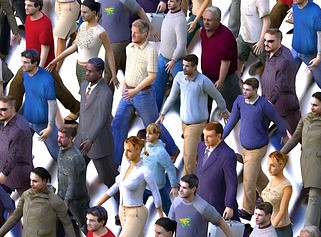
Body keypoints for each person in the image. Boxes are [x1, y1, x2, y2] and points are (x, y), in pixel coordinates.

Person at [95, 135, 164, 237]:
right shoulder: (126, 167)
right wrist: (97, 203)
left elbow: (156, 194)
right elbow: (116, 187)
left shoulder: (145, 171)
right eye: (125, 150)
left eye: (130, 151)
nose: (125, 154)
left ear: (139, 150)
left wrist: (160, 216)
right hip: (123, 212)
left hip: (137, 213)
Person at [110, 20, 179, 164]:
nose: (132, 35)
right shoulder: (129, 48)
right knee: (118, 122)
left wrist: (135, 90)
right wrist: (125, 85)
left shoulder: (151, 51)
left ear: (145, 34)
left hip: (143, 94)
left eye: (136, 33)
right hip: (128, 91)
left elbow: (152, 75)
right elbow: (129, 69)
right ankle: (116, 160)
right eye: (132, 32)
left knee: (152, 124)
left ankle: (173, 150)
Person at [223, 80, 289, 217]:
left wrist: (284, 135)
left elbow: (278, 120)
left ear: (255, 90)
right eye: (244, 89)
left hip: (258, 148)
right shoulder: (240, 101)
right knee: (257, 177)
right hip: (244, 148)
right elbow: (232, 121)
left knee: (248, 179)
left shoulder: (264, 105)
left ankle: (247, 210)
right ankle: (271, 196)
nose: (244, 92)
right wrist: (221, 138)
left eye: (248, 90)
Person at [157, 55, 228, 175]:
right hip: (184, 124)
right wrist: (163, 113)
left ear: (195, 67)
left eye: (187, 66)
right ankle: (208, 177)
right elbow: (172, 97)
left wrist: (224, 111)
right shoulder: (179, 77)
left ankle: (188, 185)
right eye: (183, 65)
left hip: (197, 125)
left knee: (188, 157)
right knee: (195, 155)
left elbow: (217, 96)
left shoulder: (203, 81)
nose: (184, 68)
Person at [281, 93, 321, 228]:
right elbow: (294, 139)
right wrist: (280, 154)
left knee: (314, 196)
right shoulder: (305, 119)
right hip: (306, 164)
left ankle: (308, 231)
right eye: (311, 104)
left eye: (316, 105)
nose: (312, 107)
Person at [46, 0, 116, 86]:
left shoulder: (100, 32)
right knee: (83, 95)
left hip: (91, 70)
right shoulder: (82, 26)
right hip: (79, 68)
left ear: (94, 13)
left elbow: (109, 51)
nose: (82, 14)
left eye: (85, 12)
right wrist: (55, 61)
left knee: (89, 96)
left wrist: (114, 74)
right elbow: (75, 47)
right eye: (81, 11)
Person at [76, 59, 118, 190]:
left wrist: (90, 140)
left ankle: (124, 205)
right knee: (76, 173)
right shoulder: (84, 85)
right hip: (81, 139)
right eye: (86, 70)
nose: (87, 73)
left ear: (100, 73)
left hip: (98, 144)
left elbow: (100, 119)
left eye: (90, 71)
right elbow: (84, 110)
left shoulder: (105, 93)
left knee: (109, 180)